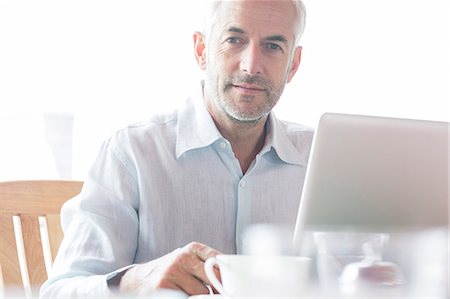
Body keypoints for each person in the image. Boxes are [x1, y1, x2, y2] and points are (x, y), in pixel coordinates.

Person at [40, 0, 313, 297]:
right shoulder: (130, 153)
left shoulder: (323, 159)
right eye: (234, 40)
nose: (251, 65)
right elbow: (60, 291)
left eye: (273, 46)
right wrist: (139, 280)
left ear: (293, 65)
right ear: (201, 51)